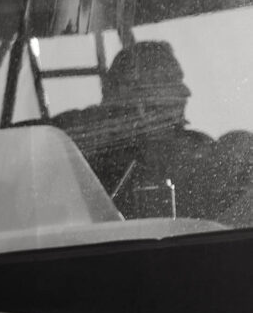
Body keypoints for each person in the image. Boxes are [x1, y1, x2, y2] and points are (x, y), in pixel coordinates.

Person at [55, 39, 253, 225]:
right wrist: (124, 122)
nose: (186, 92)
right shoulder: (75, 139)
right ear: (128, 88)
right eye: (170, 81)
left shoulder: (203, 146)